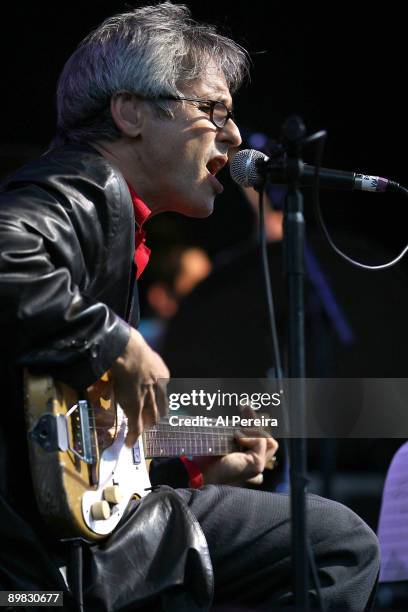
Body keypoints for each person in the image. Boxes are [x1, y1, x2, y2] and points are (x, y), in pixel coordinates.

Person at [0, 3, 379, 610]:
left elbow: (69, 451)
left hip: (58, 547)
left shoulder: (115, 220)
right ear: (129, 113)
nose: (231, 135)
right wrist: (113, 339)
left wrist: (191, 471)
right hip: (35, 564)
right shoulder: (80, 190)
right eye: (212, 110)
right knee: (334, 544)